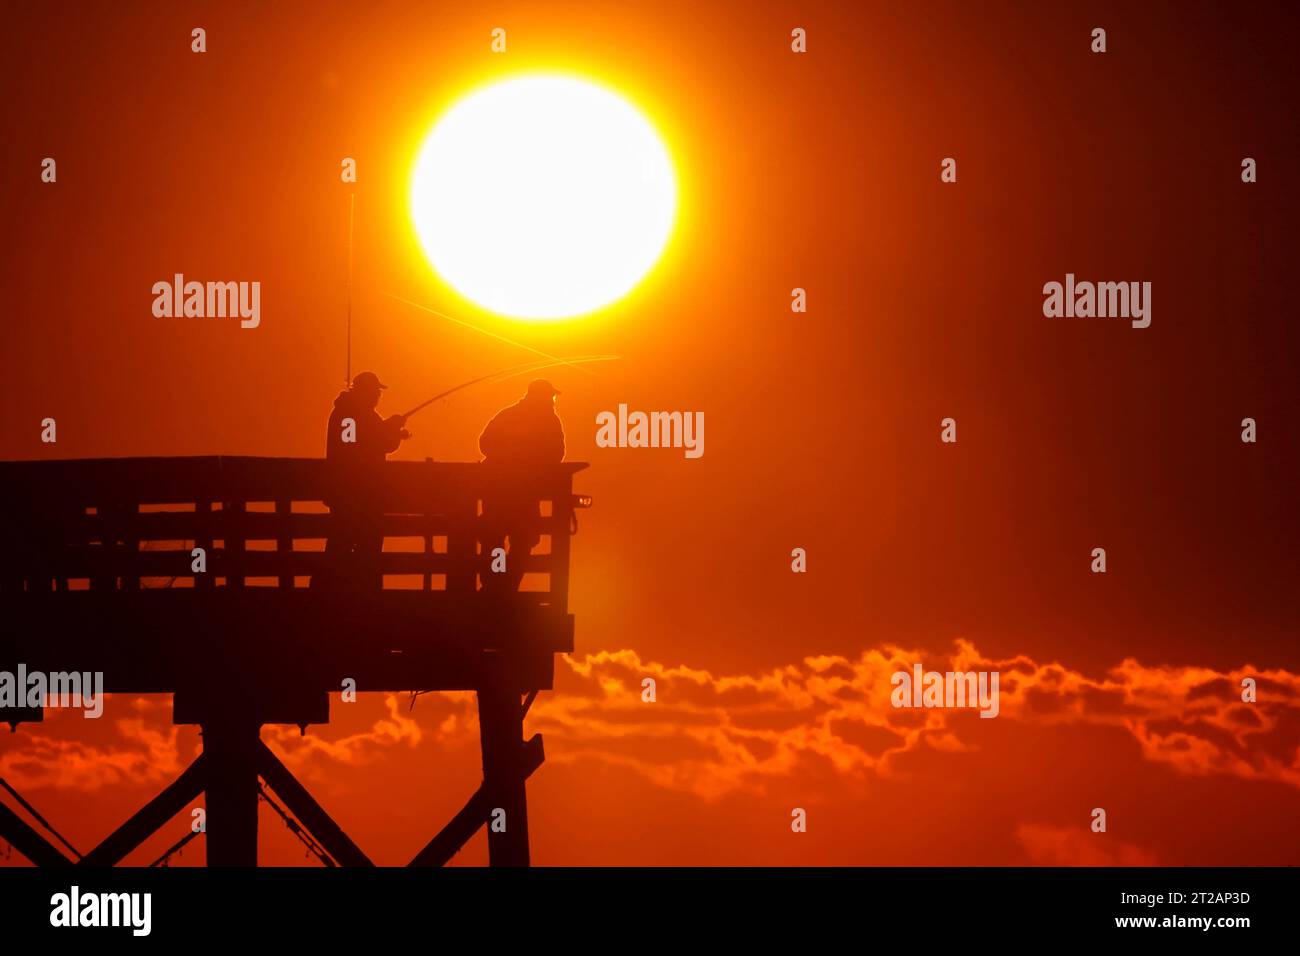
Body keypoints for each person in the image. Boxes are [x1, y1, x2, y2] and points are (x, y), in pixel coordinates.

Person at [318, 371, 411, 590]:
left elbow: (377, 442)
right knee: (360, 546)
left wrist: (392, 430)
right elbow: (358, 445)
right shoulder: (350, 415)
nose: (378, 396)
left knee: (341, 544)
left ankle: (331, 589)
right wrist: (391, 427)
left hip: (351, 495)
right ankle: (361, 591)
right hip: (358, 496)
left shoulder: (351, 414)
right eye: (376, 391)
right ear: (365, 391)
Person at [477, 379, 565, 592]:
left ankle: (494, 584)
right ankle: (507, 585)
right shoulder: (549, 421)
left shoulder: (507, 415)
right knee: (523, 541)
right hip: (526, 494)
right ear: (544, 397)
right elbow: (558, 454)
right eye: (550, 397)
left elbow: (484, 443)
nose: (552, 401)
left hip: (497, 492)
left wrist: (505, 459)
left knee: (495, 540)